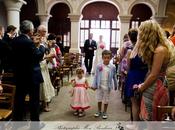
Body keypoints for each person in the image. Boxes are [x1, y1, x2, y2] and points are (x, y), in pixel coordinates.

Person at [134, 20, 169, 121]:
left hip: (156, 86)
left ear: (147, 33)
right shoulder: (158, 48)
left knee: (151, 117)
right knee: (149, 117)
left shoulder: (160, 50)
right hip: (154, 84)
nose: (140, 35)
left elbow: (154, 74)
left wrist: (141, 88)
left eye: (141, 32)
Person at [12, 20, 45, 121]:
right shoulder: (29, 42)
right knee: (34, 101)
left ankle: (18, 122)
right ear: (30, 30)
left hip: (19, 75)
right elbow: (38, 56)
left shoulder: (14, 41)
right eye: (32, 29)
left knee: (19, 100)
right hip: (32, 76)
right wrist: (41, 46)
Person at [124, 29, 148, 121]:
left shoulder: (130, 51)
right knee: (143, 101)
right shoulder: (145, 50)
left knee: (134, 103)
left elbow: (128, 66)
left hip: (133, 75)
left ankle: (135, 124)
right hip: (144, 75)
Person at [32, 33, 55, 112]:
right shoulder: (33, 48)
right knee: (42, 86)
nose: (39, 40)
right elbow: (39, 58)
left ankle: (45, 103)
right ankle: (43, 104)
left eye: (39, 38)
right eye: (37, 38)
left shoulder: (42, 47)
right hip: (39, 68)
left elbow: (45, 56)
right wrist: (47, 56)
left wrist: (50, 58)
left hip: (44, 67)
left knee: (46, 85)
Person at [92, 50, 117, 119]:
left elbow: (114, 76)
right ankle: (99, 111)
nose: (106, 59)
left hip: (107, 86)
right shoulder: (99, 66)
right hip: (99, 85)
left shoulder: (112, 67)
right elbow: (96, 76)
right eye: (105, 58)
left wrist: (116, 85)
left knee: (106, 99)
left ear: (110, 58)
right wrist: (94, 85)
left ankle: (105, 112)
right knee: (99, 99)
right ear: (102, 58)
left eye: (108, 58)